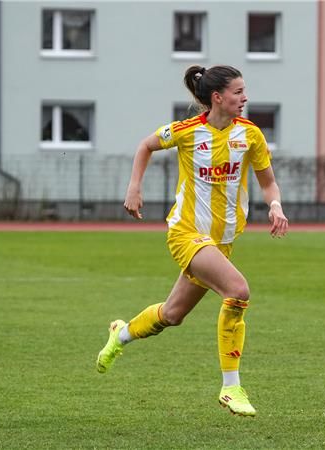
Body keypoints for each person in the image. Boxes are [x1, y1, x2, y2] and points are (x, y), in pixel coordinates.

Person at [96, 65, 289, 417]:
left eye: (245, 91)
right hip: (186, 234)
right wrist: (134, 187)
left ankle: (120, 334)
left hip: (221, 242)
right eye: (238, 92)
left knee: (171, 315)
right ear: (218, 98)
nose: (245, 98)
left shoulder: (250, 135)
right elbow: (146, 145)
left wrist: (275, 205)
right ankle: (232, 388)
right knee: (238, 291)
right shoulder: (186, 131)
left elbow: (268, 182)